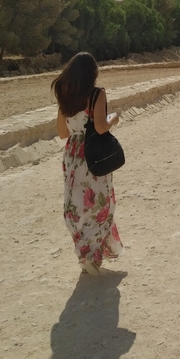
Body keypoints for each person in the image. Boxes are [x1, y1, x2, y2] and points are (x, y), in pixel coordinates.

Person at [51, 52, 124, 276]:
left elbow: (63, 132)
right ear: (92, 74)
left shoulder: (65, 94)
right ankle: (91, 255)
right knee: (101, 204)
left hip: (73, 154)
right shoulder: (96, 94)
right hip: (92, 152)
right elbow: (101, 127)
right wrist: (114, 118)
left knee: (76, 205)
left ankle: (86, 255)